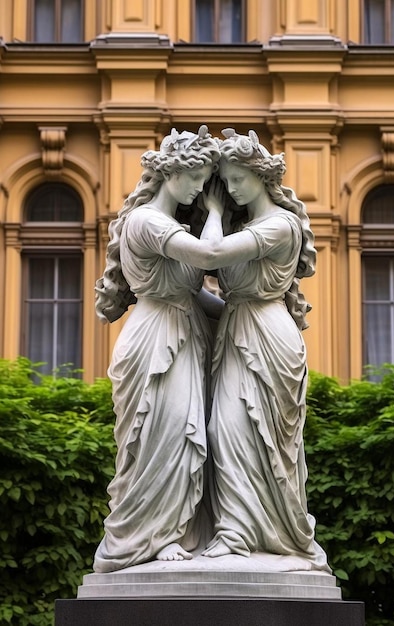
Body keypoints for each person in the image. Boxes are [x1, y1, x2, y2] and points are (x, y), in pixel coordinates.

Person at [169, 127, 329, 570]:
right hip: (237, 327)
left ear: (261, 175)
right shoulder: (256, 224)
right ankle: (235, 529)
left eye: (237, 179)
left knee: (246, 433)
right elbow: (219, 295)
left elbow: (214, 253)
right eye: (228, 182)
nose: (232, 188)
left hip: (267, 335)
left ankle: (250, 535)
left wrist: (215, 209)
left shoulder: (281, 223)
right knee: (224, 432)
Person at [93, 126, 223, 572]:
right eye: (198, 178)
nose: (200, 189)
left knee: (189, 438)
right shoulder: (147, 221)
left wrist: (243, 316)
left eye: (206, 181)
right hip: (155, 339)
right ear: (174, 172)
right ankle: (149, 535)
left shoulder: (166, 223)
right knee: (162, 436)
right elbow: (208, 256)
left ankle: (179, 529)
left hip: (184, 331)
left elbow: (193, 294)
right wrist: (217, 210)